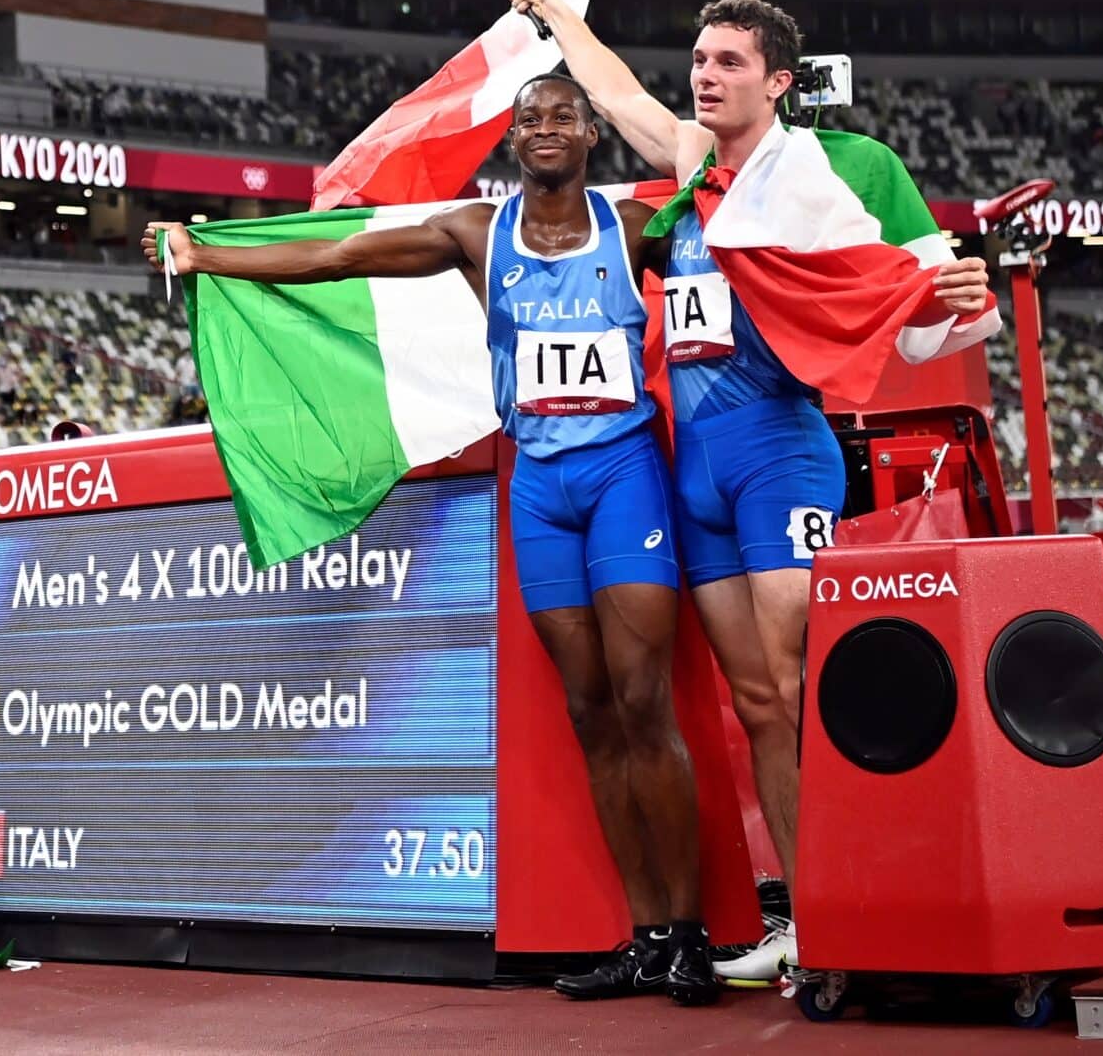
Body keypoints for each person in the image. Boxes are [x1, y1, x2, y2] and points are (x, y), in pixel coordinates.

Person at [142, 75, 719, 1005]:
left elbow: (738, 225)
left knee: (644, 699)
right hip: (540, 488)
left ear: (590, 135)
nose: (543, 130)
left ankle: (689, 934)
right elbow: (340, 257)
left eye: (560, 117)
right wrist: (206, 257)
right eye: (527, 119)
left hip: (623, 477)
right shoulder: (477, 235)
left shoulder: (638, 227)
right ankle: (644, 934)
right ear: (514, 141)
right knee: (589, 711)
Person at [506, 0, 994, 982]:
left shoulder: (814, 174)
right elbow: (621, 98)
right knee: (758, 701)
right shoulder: (689, 171)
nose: (704, 77)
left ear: (776, 81)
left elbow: (930, 294)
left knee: (801, 686)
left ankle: (873, 901)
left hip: (778, 452)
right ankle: (811, 913)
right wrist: (556, 18)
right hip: (697, 476)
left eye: (727, 62)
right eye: (698, 61)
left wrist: (955, 288)